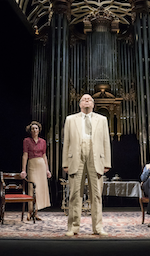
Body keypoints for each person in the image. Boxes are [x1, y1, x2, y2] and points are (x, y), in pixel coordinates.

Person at [62, 94, 111, 236]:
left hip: (95, 156)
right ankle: (73, 227)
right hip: (76, 155)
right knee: (75, 194)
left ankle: (98, 227)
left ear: (93, 104)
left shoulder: (102, 119)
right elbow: (67, 142)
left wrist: (106, 162)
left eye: (89, 99)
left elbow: (105, 141)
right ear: (80, 104)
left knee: (96, 195)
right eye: (84, 99)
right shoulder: (70, 119)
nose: (86, 101)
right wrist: (65, 162)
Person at [20, 121, 51, 220]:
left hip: (41, 165)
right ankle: (29, 212)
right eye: (33, 128)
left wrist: (47, 170)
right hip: (32, 164)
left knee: (40, 189)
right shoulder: (27, 141)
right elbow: (25, 155)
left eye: (36, 128)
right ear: (30, 130)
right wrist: (23, 170)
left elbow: (44, 156)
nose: (34, 130)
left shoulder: (43, 141)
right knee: (32, 188)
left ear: (39, 130)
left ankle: (36, 212)